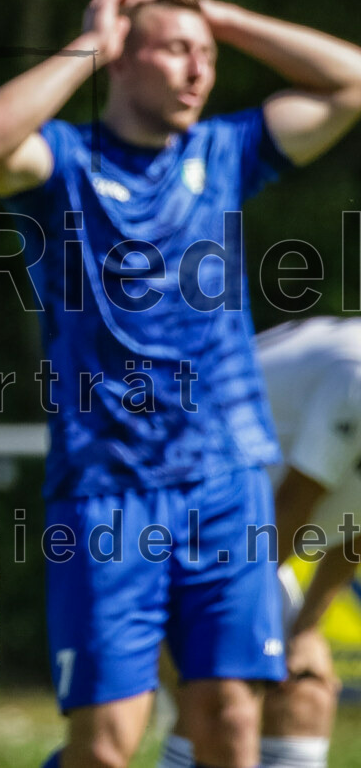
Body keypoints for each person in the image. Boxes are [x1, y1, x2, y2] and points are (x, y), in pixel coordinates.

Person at [0, 0, 361, 768]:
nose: (198, 69)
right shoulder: (65, 164)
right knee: (107, 746)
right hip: (108, 489)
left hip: (225, 482)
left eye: (207, 56)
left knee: (232, 725)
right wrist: (85, 46)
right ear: (124, 58)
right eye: (177, 48)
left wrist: (225, 17)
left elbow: (351, 81)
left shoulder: (223, 151)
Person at [159, 316, 361, 768]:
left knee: (303, 692)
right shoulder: (358, 374)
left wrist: (306, 630)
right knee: (224, 705)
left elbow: (357, 531)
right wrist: (230, 623)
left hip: (247, 539)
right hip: (168, 521)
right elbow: (292, 505)